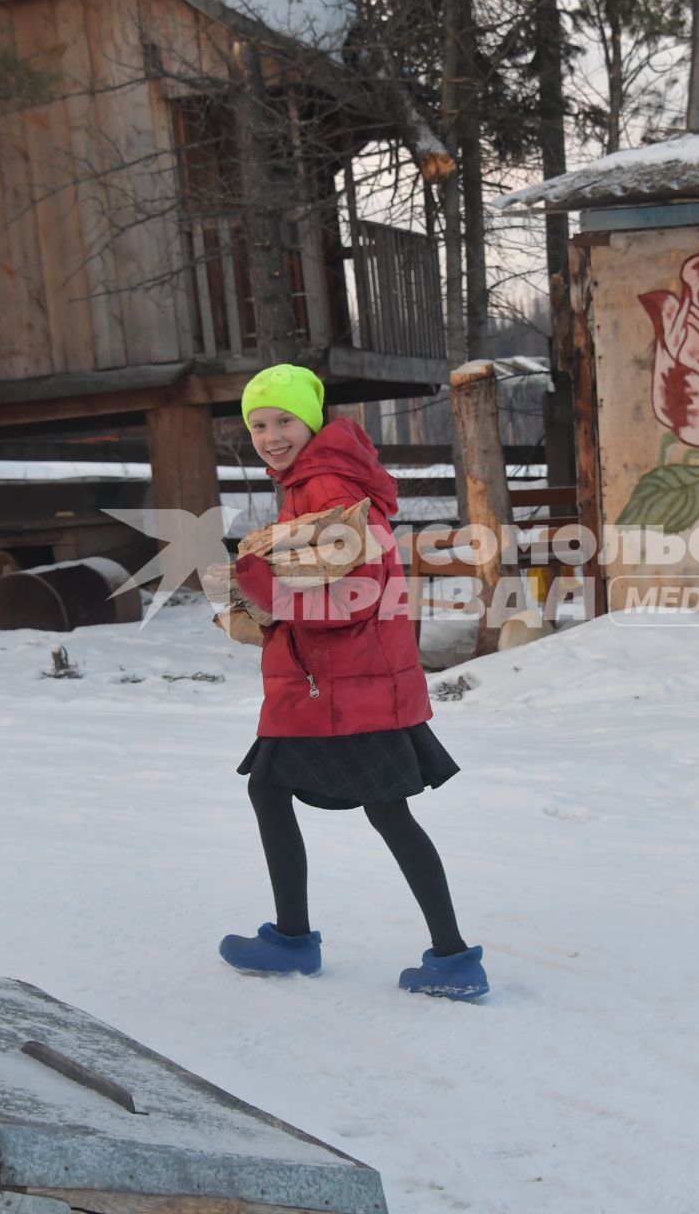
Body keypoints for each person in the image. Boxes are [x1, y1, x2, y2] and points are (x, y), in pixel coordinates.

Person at [213, 363, 487, 1001]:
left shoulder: (327, 485)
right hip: (337, 682)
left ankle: (434, 957)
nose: (271, 435)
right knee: (286, 793)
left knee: (371, 808)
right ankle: (304, 940)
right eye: (258, 424)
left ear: (311, 421)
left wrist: (266, 593)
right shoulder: (315, 480)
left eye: (284, 420)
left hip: (342, 685)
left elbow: (357, 598)